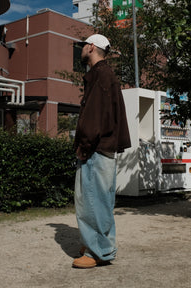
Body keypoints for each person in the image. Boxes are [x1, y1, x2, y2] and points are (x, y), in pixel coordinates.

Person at [72, 34, 131, 269]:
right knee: (101, 201)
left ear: (92, 47)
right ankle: (97, 243)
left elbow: (95, 118)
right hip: (103, 148)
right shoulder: (106, 75)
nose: (81, 50)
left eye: (83, 46)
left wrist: (84, 147)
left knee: (90, 202)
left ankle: (99, 251)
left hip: (95, 149)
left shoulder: (101, 76)